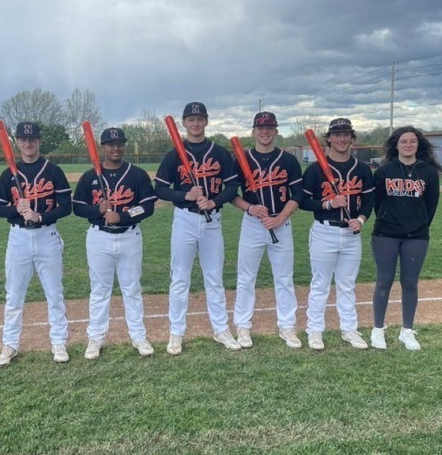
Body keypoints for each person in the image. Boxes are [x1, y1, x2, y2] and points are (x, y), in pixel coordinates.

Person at [154, 101, 240, 355]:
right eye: (191, 119)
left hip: (212, 221)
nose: (195, 123)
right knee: (180, 278)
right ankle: (176, 333)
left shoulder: (220, 153)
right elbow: (159, 189)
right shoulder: (173, 155)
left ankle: (221, 329)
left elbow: (232, 187)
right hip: (184, 220)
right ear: (184, 123)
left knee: (214, 278)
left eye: (200, 118)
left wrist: (214, 200)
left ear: (206, 121)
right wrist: (185, 195)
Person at [73, 127, 158, 360]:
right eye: (111, 144)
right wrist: (97, 209)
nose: (116, 148)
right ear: (102, 148)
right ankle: (96, 337)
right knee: (100, 289)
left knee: (132, 288)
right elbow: (77, 207)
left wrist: (124, 215)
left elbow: (147, 206)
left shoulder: (137, 174)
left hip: (129, 236)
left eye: (120, 143)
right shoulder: (90, 177)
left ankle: (139, 336)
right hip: (99, 237)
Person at [0, 122, 72, 366]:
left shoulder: (53, 170)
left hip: (47, 236)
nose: (28, 143)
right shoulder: (9, 174)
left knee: (54, 292)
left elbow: (66, 206)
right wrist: (14, 208)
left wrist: (40, 216)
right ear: (17, 142)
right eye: (23, 139)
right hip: (18, 238)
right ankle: (10, 345)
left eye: (33, 139)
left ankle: (59, 341)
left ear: (39, 141)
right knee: (14, 294)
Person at [231, 111, 304, 349]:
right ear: (253, 131)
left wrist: (281, 217)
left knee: (284, 278)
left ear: (276, 131)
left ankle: (287, 326)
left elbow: (299, 195)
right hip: (252, 224)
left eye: (269, 127)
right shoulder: (242, 158)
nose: (265, 131)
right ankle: (242, 326)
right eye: (261, 128)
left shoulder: (288, 160)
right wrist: (249, 208)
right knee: (246, 277)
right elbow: (231, 195)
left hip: (281, 224)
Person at [300, 118, 374, 350]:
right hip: (325, 231)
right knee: (320, 283)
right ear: (329, 138)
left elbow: (369, 200)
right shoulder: (315, 169)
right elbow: (303, 201)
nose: (342, 139)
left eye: (346, 134)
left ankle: (349, 329)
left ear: (352, 138)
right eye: (337, 134)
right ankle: (314, 330)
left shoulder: (361, 169)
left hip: (352, 235)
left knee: (347, 284)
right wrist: (329, 204)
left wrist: (360, 219)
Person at [370, 126, 440, 351]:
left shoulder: (428, 172)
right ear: (396, 145)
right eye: (404, 141)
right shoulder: (384, 171)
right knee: (384, 281)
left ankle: (407, 331)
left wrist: (417, 224)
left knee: (410, 283)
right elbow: (377, 203)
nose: (408, 145)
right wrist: (390, 220)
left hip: (416, 236)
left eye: (412, 141)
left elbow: (431, 205)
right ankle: (378, 329)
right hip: (386, 234)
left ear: (418, 145)